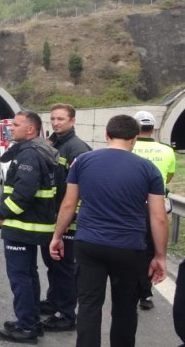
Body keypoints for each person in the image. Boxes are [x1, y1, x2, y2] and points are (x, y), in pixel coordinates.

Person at [50, 114, 167, 347]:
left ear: (106, 135)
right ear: (134, 139)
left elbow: (68, 204)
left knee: (89, 306)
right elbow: (158, 218)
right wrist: (160, 256)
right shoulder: (149, 169)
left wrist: (57, 236)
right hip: (129, 248)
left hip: (89, 244)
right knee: (125, 309)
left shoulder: (82, 162)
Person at [0, 111, 59, 344]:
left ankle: (27, 327)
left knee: (20, 277)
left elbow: (23, 194)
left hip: (22, 227)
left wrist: (2, 213)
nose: (11, 127)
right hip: (32, 227)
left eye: (16, 124)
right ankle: (30, 320)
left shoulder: (30, 155)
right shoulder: (34, 150)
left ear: (30, 130)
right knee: (29, 275)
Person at [39, 104, 91, 331]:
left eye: (61, 119)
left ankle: (67, 315)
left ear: (73, 120)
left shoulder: (77, 149)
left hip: (68, 218)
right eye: (52, 119)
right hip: (53, 215)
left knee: (64, 267)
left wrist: (69, 219)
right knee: (53, 264)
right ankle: (54, 301)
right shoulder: (55, 143)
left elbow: (82, 189)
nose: (56, 123)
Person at [131, 110, 176, 311]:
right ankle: (146, 294)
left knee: (132, 249)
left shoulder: (128, 148)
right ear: (154, 128)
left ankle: (130, 289)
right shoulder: (167, 150)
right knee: (151, 251)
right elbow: (167, 178)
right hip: (156, 207)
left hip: (133, 207)